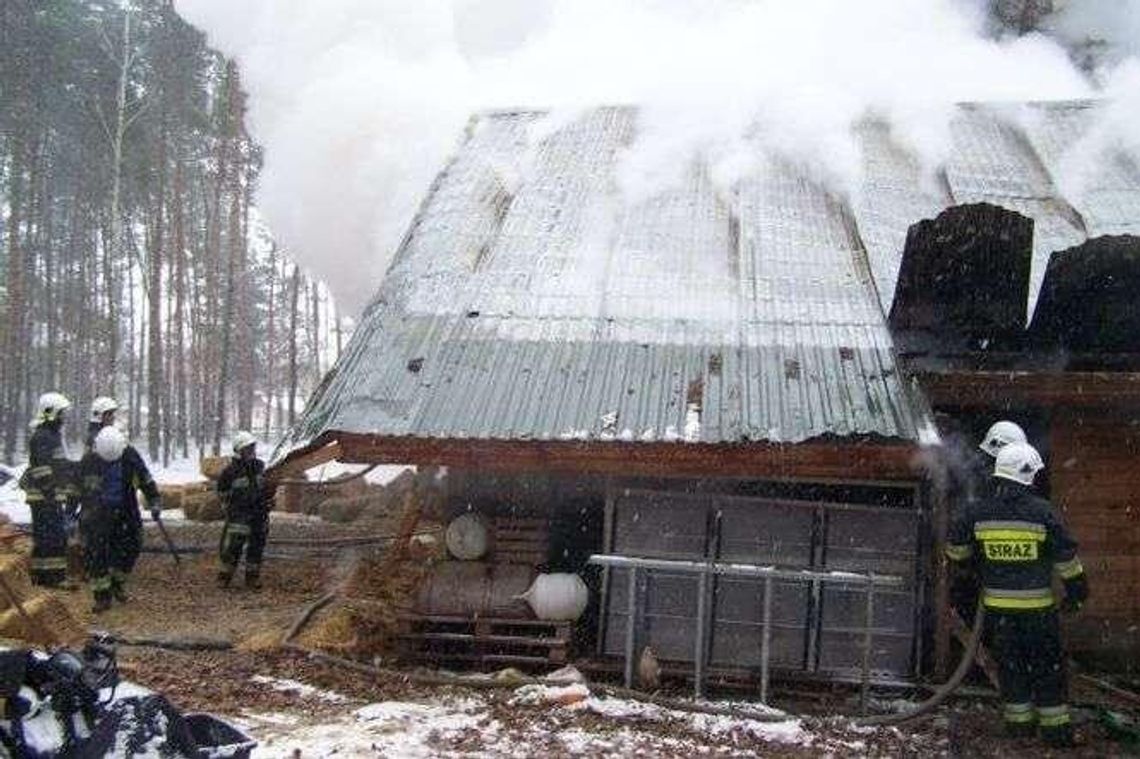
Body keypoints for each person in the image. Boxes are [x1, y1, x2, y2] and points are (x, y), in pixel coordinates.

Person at [945, 442, 1088, 747]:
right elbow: (1067, 560)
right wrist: (1077, 592)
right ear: (1027, 474)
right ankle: (1055, 732)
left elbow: (956, 550)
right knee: (1047, 668)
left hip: (998, 612)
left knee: (1011, 667)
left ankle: (1019, 726)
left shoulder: (978, 512)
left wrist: (972, 567)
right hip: (1038, 612)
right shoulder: (1043, 513)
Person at [77, 426, 162, 613]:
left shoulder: (130, 457)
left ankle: (117, 582)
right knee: (96, 554)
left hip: (126, 511)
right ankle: (102, 596)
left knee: (132, 545)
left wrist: (154, 500)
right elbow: (76, 488)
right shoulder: (88, 461)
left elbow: (146, 480)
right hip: (96, 514)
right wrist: (70, 512)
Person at [21, 392, 75, 587]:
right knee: (52, 537)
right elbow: (42, 468)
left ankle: (42, 576)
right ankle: (54, 578)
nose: (64, 418)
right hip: (44, 496)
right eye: (61, 413)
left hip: (47, 495)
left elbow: (58, 463)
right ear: (50, 413)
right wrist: (51, 492)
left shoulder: (50, 435)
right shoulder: (44, 436)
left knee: (46, 536)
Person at [216, 431, 270, 590]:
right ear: (239, 451)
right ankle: (224, 577)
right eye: (248, 448)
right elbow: (222, 493)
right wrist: (230, 509)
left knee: (256, 547)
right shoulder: (229, 472)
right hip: (239, 516)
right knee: (233, 547)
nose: (252, 451)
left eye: (252, 448)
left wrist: (267, 503)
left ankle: (252, 578)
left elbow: (265, 489)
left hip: (259, 514)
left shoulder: (259, 467)